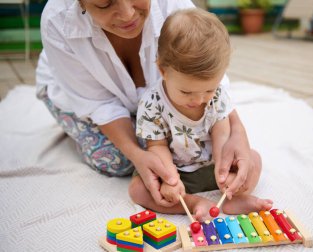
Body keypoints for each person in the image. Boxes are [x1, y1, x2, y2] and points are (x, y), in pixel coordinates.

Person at [35, 0, 260, 207]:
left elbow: (213, 90)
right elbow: (100, 105)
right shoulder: (58, 21)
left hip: (166, 114)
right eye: (104, 3)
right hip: (80, 96)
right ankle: (189, 202)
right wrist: (162, 170)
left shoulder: (180, 13)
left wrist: (236, 135)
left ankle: (233, 199)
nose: (127, 14)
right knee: (120, 162)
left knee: (247, 158)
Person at [129, 8, 272, 220]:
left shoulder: (217, 95)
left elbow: (221, 134)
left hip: (210, 167)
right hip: (178, 172)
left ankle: (233, 198)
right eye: (186, 92)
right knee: (138, 190)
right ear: (163, 70)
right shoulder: (151, 103)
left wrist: (223, 173)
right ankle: (193, 202)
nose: (198, 100)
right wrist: (170, 180)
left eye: (208, 90)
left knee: (253, 159)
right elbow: (156, 146)